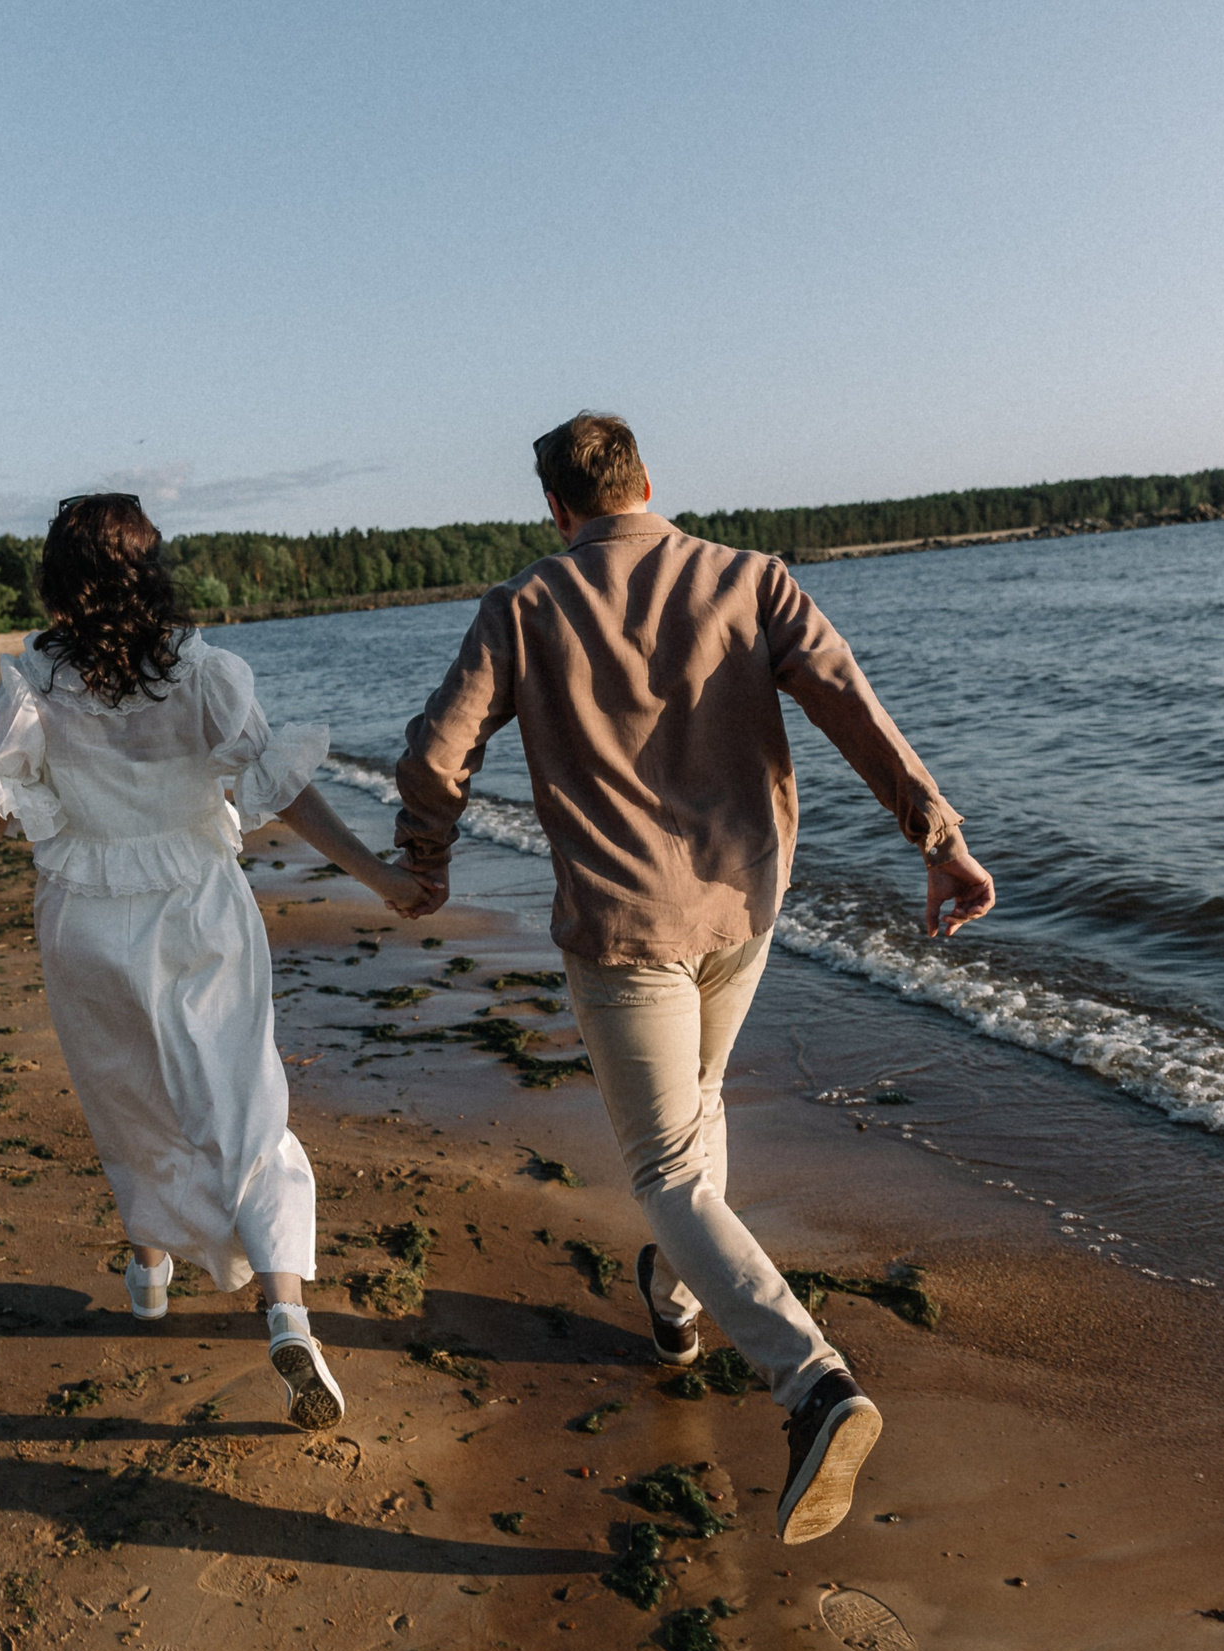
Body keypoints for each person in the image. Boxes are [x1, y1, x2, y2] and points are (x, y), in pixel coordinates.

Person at [391, 416, 995, 1543]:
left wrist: (425, 860)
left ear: (556, 511)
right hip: (740, 907)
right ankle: (673, 1301)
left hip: (625, 928)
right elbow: (850, 707)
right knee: (699, 1104)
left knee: (668, 1167)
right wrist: (936, 836)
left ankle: (812, 1382)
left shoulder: (526, 605)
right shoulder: (750, 580)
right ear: (647, 485)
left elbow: (436, 755)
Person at [0, 492, 426, 1432]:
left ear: (60, 580)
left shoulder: (35, 681)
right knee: (244, 1108)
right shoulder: (202, 675)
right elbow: (285, 787)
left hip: (85, 922)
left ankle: (150, 1262)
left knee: (130, 1097)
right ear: (150, 571)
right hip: (198, 912)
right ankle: (286, 1316)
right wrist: (379, 877)